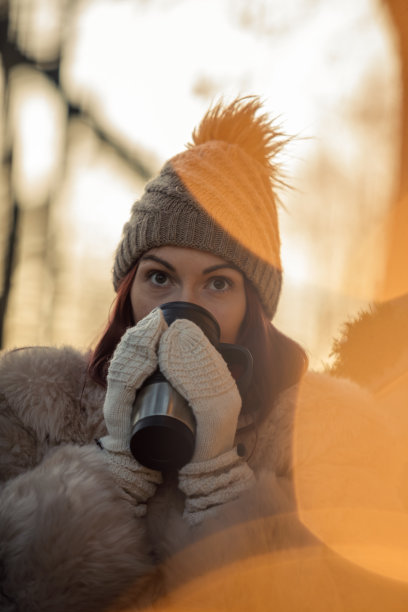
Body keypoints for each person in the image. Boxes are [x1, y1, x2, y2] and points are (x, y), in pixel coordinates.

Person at [0, 97, 407, 612]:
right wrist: (108, 478)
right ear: (128, 289)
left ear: (253, 307)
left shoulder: (325, 434)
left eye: (217, 283)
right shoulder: (31, 406)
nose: (180, 308)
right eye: (160, 277)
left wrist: (222, 487)